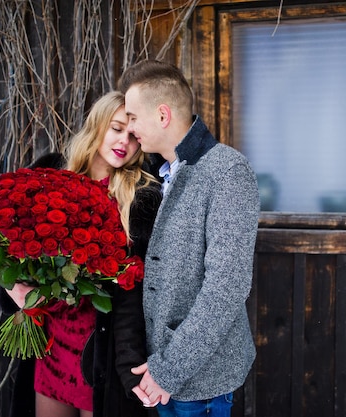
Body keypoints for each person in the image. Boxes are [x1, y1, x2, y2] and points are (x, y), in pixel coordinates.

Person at [1, 91, 162, 417]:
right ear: (98, 125)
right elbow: (4, 241)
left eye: (133, 135)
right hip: (52, 338)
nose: (124, 142)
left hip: (101, 345)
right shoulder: (49, 175)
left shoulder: (141, 198)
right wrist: (14, 288)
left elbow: (138, 285)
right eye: (116, 128)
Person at [116, 60, 260, 417]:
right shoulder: (154, 174)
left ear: (162, 115)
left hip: (198, 385)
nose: (131, 130)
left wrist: (168, 371)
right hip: (155, 374)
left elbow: (226, 287)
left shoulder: (227, 171)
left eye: (133, 117)